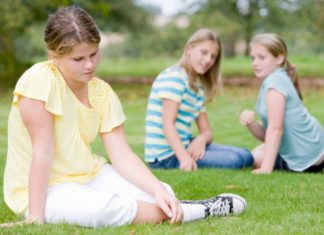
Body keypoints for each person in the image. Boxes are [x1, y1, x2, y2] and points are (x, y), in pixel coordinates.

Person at [2, 6, 247, 228]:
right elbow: (42, 152)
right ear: (54, 55)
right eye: (78, 59)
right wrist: (35, 216)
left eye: (94, 54)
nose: (90, 65)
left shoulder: (102, 92)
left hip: (90, 174)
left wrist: (156, 189)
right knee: (100, 210)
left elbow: (122, 155)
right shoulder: (39, 82)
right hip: (45, 189)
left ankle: (170, 206)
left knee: (161, 191)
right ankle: (199, 209)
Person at [144, 28, 253, 171]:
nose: (208, 60)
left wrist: (200, 140)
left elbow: (207, 132)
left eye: (213, 56)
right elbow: (167, 124)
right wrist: (184, 158)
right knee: (237, 160)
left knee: (246, 155)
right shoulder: (175, 77)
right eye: (204, 52)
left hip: (185, 145)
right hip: (166, 157)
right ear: (189, 49)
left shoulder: (197, 86)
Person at [240, 33, 324, 174]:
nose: (255, 63)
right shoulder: (277, 78)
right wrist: (251, 124)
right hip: (316, 148)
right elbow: (268, 133)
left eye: (261, 57)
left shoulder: (274, 84)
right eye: (253, 58)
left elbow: (275, 130)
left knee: (252, 158)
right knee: (257, 152)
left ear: (279, 58)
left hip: (307, 158)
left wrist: (266, 168)